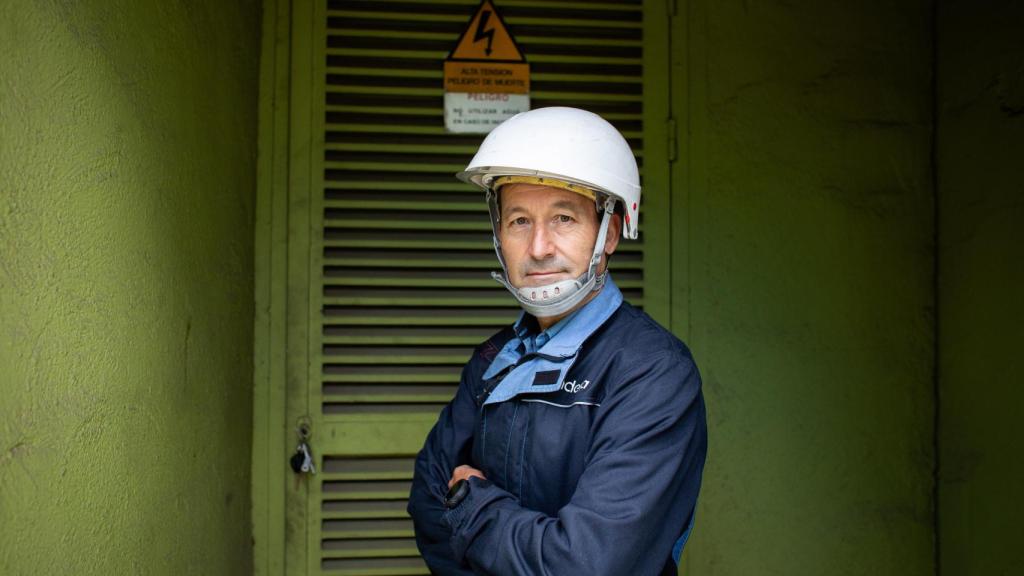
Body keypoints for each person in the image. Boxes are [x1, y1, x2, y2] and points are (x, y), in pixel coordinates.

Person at [407, 107, 707, 575]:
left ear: (609, 232)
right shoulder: (491, 360)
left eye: (564, 218)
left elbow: (589, 565)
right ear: (498, 234)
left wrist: (471, 503)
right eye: (519, 221)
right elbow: (427, 506)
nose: (539, 247)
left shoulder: (652, 371)